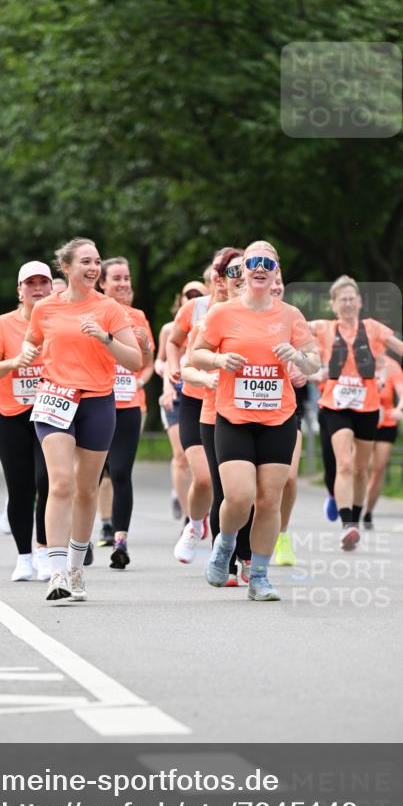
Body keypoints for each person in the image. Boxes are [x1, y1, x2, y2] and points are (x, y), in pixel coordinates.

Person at [192, 241, 321, 601]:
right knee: (241, 496)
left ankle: (260, 577)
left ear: (276, 271)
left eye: (268, 262)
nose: (260, 268)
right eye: (254, 262)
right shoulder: (223, 314)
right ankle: (225, 545)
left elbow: (314, 363)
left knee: (268, 500)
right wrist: (219, 362)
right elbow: (197, 354)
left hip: (278, 417)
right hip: (233, 416)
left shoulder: (290, 316)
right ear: (244, 270)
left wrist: (298, 357)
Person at [22, 237, 141, 602]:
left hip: (97, 401)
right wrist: (27, 352)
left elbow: (135, 361)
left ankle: (75, 568)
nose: (93, 268)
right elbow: (33, 342)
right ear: (67, 267)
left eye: (97, 262)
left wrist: (106, 339)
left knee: (87, 488)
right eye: (86, 262)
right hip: (55, 398)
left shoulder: (109, 309)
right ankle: (56, 572)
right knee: (60, 483)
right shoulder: (45, 309)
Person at [309, 275, 403, 550]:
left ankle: (356, 520)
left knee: (362, 469)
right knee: (345, 465)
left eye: (352, 298)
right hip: (335, 406)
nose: (348, 303)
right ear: (333, 304)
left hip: (368, 407)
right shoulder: (324, 328)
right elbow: (290, 323)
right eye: (342, 299)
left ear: (360, 302)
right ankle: (347, 524)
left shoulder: (373, 329)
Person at [183, 249, 254, 587]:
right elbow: (187, 367)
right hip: (216, 414)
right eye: (234, 275)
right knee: (227, 491)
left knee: (253, 493)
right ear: (223, 282)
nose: (241, 280)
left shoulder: (271, 317)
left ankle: (248, 558)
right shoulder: (209, 319)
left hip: (260, 414)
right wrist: (209, 375)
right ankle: (223, 556)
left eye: (246, 272)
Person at [0, 261, 53, 581]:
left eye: (43, 282)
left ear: (52, 288)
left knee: (48, 481)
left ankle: (45, 549)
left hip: (51, 412)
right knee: (20, 488)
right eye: (30, 283)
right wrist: (14, 362)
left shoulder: (60, 320)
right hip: (11, 415)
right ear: (19, 290)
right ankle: (24, 557)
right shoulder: (3, 324)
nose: (37, 288)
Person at [165, 254, 230, 564]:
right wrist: (172, 370)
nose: (223, 278)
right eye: (217, 272)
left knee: (226, 484)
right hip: (194, 399)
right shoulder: (195, 308)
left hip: (230, 404)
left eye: (230, 272)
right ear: (210, 280)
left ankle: (225, 554)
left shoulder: (246, 311)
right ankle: (193, 525)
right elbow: (173, 341)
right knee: (203, 478)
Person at [98, 257, 155, 569]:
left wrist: (137, 381)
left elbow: (146, 362)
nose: (122, 284)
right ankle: (80, 540)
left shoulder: (138, 316)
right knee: (92, 476)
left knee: (120, 472)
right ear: (103, 283)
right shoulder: (91, 313)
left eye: (126, 278)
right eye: (116, 278)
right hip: (95, 403)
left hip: (129, 405)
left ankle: (120, 542)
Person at [155, 282, 207, 522]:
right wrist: (167, 385)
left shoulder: (211, 323)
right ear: (181, 298)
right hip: (175, 393)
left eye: (198, 294)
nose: (193, 298)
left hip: (203, 392)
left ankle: (199, 502)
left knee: (203, 458)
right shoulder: (169, 329)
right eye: (189, 294)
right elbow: (160, 361)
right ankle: (188, 516)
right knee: (181, 455)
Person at [268, 269, 309, 567]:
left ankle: (282, 534)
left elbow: (312, 359)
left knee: (289, 478)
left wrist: (301, 367)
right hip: (248, 413)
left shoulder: (294, 319)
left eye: (281, 283)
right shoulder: (240, 316)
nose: (276, 287)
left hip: (288, 410)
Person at [363, 354, 403, 529]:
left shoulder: (391, 366)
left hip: (386, 422)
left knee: (378, 468)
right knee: (362, 466)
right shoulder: (359, 360)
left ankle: (368, 511)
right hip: (363, 419)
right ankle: (355, 504)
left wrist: (400, 408)